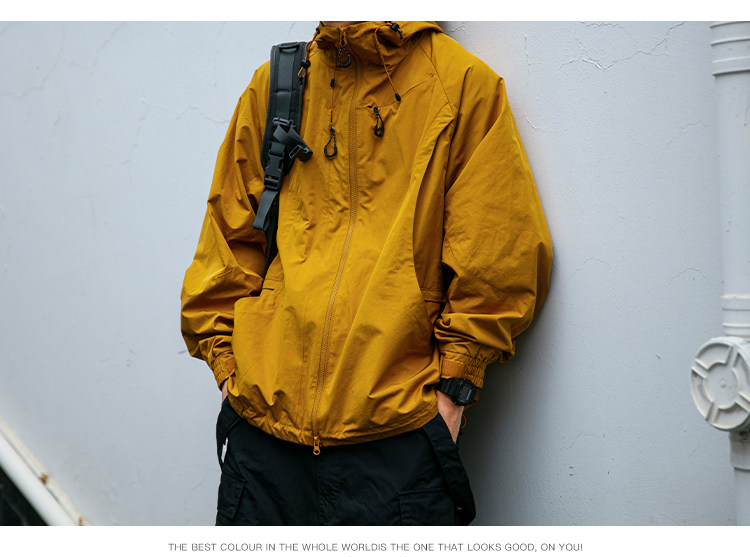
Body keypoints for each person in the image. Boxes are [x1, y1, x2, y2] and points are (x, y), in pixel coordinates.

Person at [180, 20, 552, 526]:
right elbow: (226, 244)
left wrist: (454, 392)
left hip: (395, 448)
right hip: (263, 439)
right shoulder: (278, 83)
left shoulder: (463, 87)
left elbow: (499, 255)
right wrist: (229, 370)